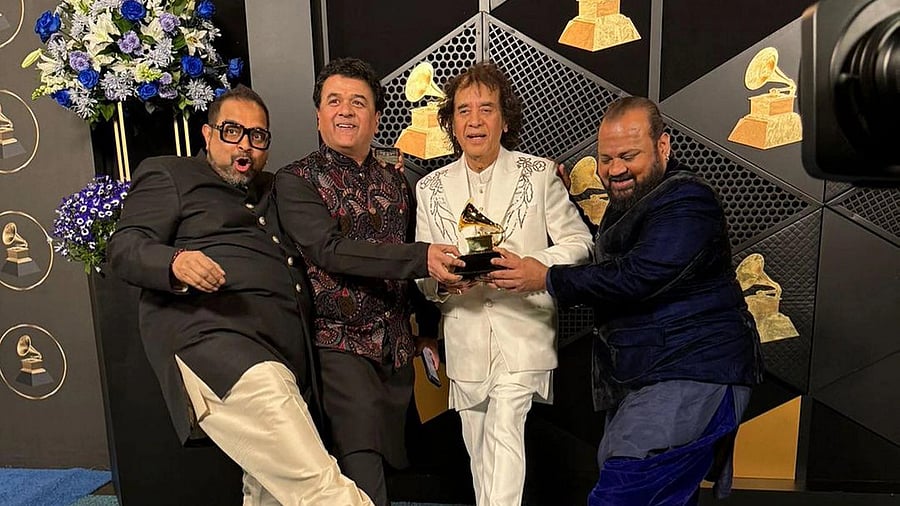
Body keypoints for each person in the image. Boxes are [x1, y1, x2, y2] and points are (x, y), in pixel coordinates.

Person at [490, 96, 765, 505]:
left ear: (663, 147)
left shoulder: (688, 200)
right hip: (650, 377)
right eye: (605, 158)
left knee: (623, 488)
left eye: (628, 155)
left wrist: (544, 276)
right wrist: (562, 201)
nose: (614, 169)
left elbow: (639, 275)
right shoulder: (635, 204)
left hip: (691, 371)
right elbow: (614, 255)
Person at [108, 85, 373, 506]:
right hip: (218, 346)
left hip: (285, 358)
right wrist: (174, 262)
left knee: (269, 491)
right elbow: (124, 248)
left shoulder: (275, 187)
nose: (245, 145)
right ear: (207, 134)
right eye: (232, 132)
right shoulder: (170, 174)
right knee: (323, 489)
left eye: (258, 136)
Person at [273, 57, 463, 506]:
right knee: (362, 472)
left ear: (376, 117)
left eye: (358, 102)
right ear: (318, 114)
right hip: (338, 348)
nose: (345, 111)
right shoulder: (296, 180)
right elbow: (329, 251)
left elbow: (409, 250)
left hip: (397, 352)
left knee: (393, 470)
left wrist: (428, 331)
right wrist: (422, 259)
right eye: (333, 101)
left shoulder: (396, 182)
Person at [414, 61, 593, 506]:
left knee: (505, 426)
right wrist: (441, 282)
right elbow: (422, 272)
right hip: (465, 335)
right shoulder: (429, 188)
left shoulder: (538, 174)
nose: (474, 120)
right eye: (463, 110)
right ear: (451, 123)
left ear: (505, 119)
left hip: (523, 328)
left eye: (486, 109)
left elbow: (581, 243)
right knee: (478, 447)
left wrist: (535, 266)